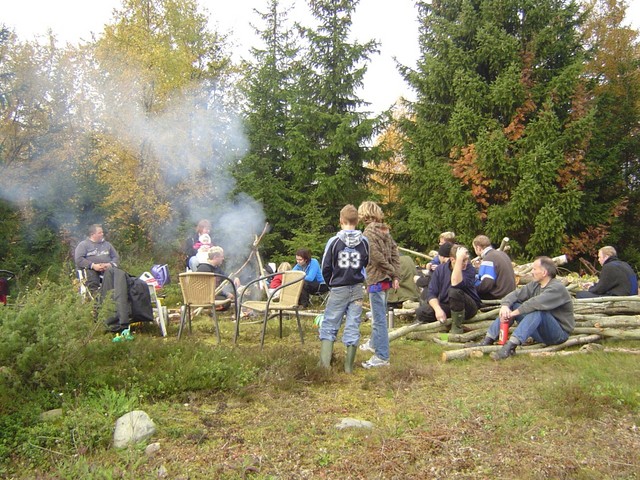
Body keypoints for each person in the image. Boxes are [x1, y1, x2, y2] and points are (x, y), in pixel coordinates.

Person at [470, 256, 575, 360]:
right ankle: (488, 339)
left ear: (544, 273)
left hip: (558, 334)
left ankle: (510, 347)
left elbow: (534, 303)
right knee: (513, 305)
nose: (532, 272)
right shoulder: (535, 285)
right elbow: (515, 294)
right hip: (541, 333)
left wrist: (512, 314)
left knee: (539, 312)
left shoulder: (556, 288)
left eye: (534, 269)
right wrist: (505, 306)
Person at [318, 204, 370, 372]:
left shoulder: (334, 242)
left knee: (330, 323)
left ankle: (325, 365)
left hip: (338, 287)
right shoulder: (364, 242)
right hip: (356, 288)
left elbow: (325, 267)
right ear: (357, 221)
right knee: (353, 324)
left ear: (341, 220)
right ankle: (348, 367)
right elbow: (366, 263)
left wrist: (330, 284)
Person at [358, 201, 400, 369]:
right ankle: (374, 344)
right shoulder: (385, 231)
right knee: (379, 315)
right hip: (385, 281)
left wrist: (391, 271)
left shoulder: (367, 233)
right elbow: (395, 254)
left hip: (375, 280)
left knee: (379, 319)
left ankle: (382, 356)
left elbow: (375, 258)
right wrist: (395, 274)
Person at [415, 243, 481, 334]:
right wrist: (438, 310)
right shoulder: (440, 269)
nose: (465, 263)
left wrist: (459, 261)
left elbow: (455, 283)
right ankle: (446, 324)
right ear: (452, 259)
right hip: (448, 305)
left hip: (468, 307)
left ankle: (456, 328)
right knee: (421, 311)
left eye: (466, 260)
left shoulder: (469, 269)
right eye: (463, 260)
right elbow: (431, 293)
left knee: (454, 292)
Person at [74, 224, 120, 295]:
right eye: (100, 233)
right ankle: (96, 301)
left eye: (102, 232)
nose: (102, 234)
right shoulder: (83, 245)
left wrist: (110, 264)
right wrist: (93, 266)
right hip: (90, 270)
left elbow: (116, 257)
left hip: (107, 269)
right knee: (92, 280)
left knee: (120, 278)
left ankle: (114, 298)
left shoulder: (107, 245)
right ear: (92, 234)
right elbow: (78, 259)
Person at [471, 235, 517, 300]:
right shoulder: (501, 254)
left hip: (499, 295)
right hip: (510, 293)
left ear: (478, 248)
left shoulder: (488, 258)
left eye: (474, 248)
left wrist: (472, 288)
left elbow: (486, 285)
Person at [415, 231, 456, 298]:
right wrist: (430, 264)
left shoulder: (455, 254)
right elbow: (435, 260)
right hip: (435, 277)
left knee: (422, 282)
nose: (439, 244)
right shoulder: (442, 253)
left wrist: (439, 268)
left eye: (441, 243)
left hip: (443, 282)